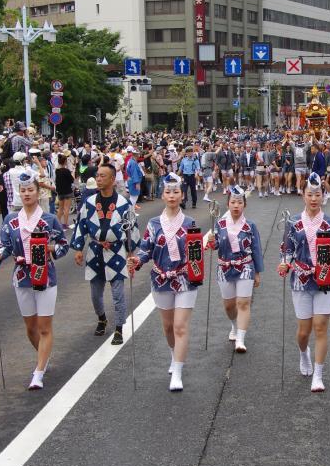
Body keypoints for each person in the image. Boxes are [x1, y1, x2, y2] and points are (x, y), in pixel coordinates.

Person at [0, 171, 69, 390]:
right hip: (22, 276)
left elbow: (63, 246)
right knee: (30, 328)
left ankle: (39, 371)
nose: (26, 194)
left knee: (44, 327)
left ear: (38, 191)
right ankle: (43, 356)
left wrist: (49, 247)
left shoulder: (49, 219)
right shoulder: (11, 220)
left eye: (30, 190)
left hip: (45, 274)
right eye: (23, 191)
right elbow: (4, 246)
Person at [129, 173, 201, 392]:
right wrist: (137, 261)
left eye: (176, 192)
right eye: (168, 192)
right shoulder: (152, 224)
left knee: (180, 326)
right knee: (168, 326)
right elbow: (145, 250)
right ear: (162, 195)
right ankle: (173, 354)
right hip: (161, 279)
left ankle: (178, 371)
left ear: (182, 195)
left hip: (185, 280)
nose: (171, 196)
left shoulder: (190, 223)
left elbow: (195, 254)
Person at [278, 172, 330, 392]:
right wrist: (284, 263)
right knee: (304, 330)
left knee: (321, 327)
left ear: (323, 196)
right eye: (309, 194)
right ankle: (303, 353)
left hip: (325, 281)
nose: (314, 199)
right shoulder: (293, 222)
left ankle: (318, 374)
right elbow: (286, 250)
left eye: (318, 194)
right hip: (301, 280)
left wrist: (328, 255)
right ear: (303, 196)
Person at [70, 163, 136, 345]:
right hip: (95, 251)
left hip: (116, 251)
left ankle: (119, 327)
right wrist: (78, 248)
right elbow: (81, 225)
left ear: (113, 180)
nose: (98, 179)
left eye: (102, 176)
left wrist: (131, 253)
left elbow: (131, 229)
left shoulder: (124, 203)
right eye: (97, 176)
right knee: (95, 293)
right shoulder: (89, 203)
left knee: (118, 294)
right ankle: (102, 318)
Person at [206, 186, 263, 353]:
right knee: (229, 306)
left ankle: (241, 339)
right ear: (228, 204)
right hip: (224, 267)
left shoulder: (250, 226)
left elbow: (256, 249)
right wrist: (211, 240)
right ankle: (234, 325)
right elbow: (215, 245)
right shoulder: (220, 224)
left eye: (239, 202)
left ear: (244, 204)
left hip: (245, 266)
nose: (236, 205)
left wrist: (257, 272)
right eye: (233, 202)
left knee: (243, 303)